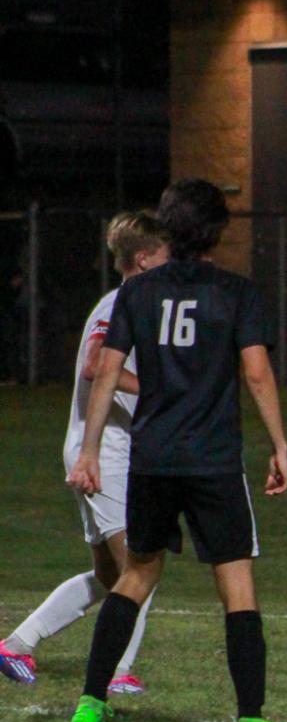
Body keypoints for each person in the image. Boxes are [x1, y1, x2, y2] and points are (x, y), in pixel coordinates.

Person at [65, 178, 287, 722]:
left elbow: (108, 372)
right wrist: (280, 444)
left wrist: (89, 449)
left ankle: (91, 703)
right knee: (237, 583)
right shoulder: (235, 292)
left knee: (136, 576)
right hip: (213, 460)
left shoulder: (136, 295)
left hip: (153, 459)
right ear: (217, 230)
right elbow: (257, 372)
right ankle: (252, 720)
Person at [0, 212, 168, 691]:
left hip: (103, 449)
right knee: (143, 564)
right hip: (104, 453)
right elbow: (97, 365)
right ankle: (119, 673)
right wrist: (160, 389)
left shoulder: (130, 304)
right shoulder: (122, 303)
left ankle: (16, 645)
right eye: (164, 256)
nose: (171, 264)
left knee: (107, 574)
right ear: (143, 259)